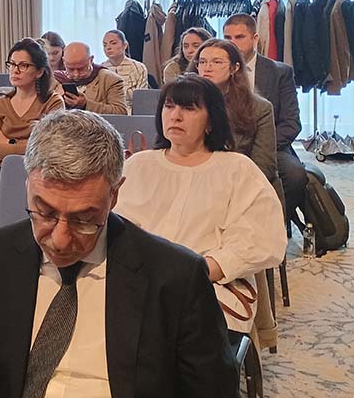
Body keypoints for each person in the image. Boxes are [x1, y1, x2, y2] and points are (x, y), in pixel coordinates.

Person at [0, 109, 239, 397]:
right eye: (45, 212)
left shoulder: (175, 277)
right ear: (27, 185)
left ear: (114, 195)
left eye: (83, 219)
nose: (60, 241)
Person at [115, 75, 287, 335]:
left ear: (211, 121)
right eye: (169, 106)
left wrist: (194, 272)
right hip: (138, 282)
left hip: (209, 285)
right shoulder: (137, 166)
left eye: (189, 108)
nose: (175, 116)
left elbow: (258, 239)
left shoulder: (237, 169)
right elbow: (116, 230)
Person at [224, 13, 307, 227]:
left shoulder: (279, 72)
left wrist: (262, 144)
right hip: (228, 144)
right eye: (227, 38)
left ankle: (275, 224)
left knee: (295, 176)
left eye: (239, 37)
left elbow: (291, 123)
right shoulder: (217, 70)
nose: (232, 43)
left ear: (255, 38)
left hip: (272, 144)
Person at [190, 39, 279, 191]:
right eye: (202, 62)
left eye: (217, 62)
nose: (207, 68)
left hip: (243, 186)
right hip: (194, 182)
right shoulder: (183, 104)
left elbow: (264, 166)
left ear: (234, 68)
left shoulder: (260, 108)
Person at [0, 38, 63, 164]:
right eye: (12, 64)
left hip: (40, 171)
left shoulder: (53, 102)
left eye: (23, 65)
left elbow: (49, 148)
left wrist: (7, 142)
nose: (15, 70)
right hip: (2, 170)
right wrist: (29, 146)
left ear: (39, 72)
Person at [55, 42, 127, 115]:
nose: (76, 74)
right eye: (70, 69)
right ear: (64, 61)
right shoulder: (57, 79)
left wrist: (86, 104)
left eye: (81, 69)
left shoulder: (109, 80)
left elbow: (121, 112)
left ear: (91, 60)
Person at [101, 29, 149, 111]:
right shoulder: (101, 69)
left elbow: (142, 99)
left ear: (125, 45)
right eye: (105, 45)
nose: (108, 48)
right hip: (107, 112)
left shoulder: (138, 67)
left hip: (132, 113)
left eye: (113, 43)